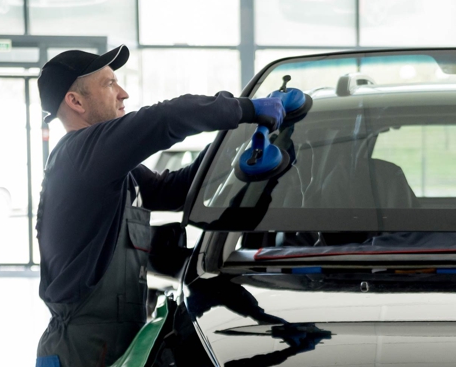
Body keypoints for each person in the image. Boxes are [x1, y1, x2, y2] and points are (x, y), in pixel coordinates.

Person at [34, 45, 286, 367]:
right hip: (81, 353)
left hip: (112, 346)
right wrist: (245, 110)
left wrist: (235, 151)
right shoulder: (80, 155)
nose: (123, 93)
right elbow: (166, 118)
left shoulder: (107, 169)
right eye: (109, 84)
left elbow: (171, 191)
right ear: (76, 101)